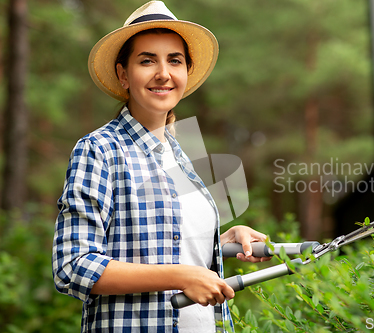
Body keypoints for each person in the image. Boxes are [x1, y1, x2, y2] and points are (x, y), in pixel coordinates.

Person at [52, 2, 270, 332]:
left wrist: (224, 240)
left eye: (175, 60)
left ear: (186, 72)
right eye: (147, 60)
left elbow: (169, 242)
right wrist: (180, 275)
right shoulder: (100, 149)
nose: (163, 73)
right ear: (123, 74)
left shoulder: (185, 152)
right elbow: (73, 266)